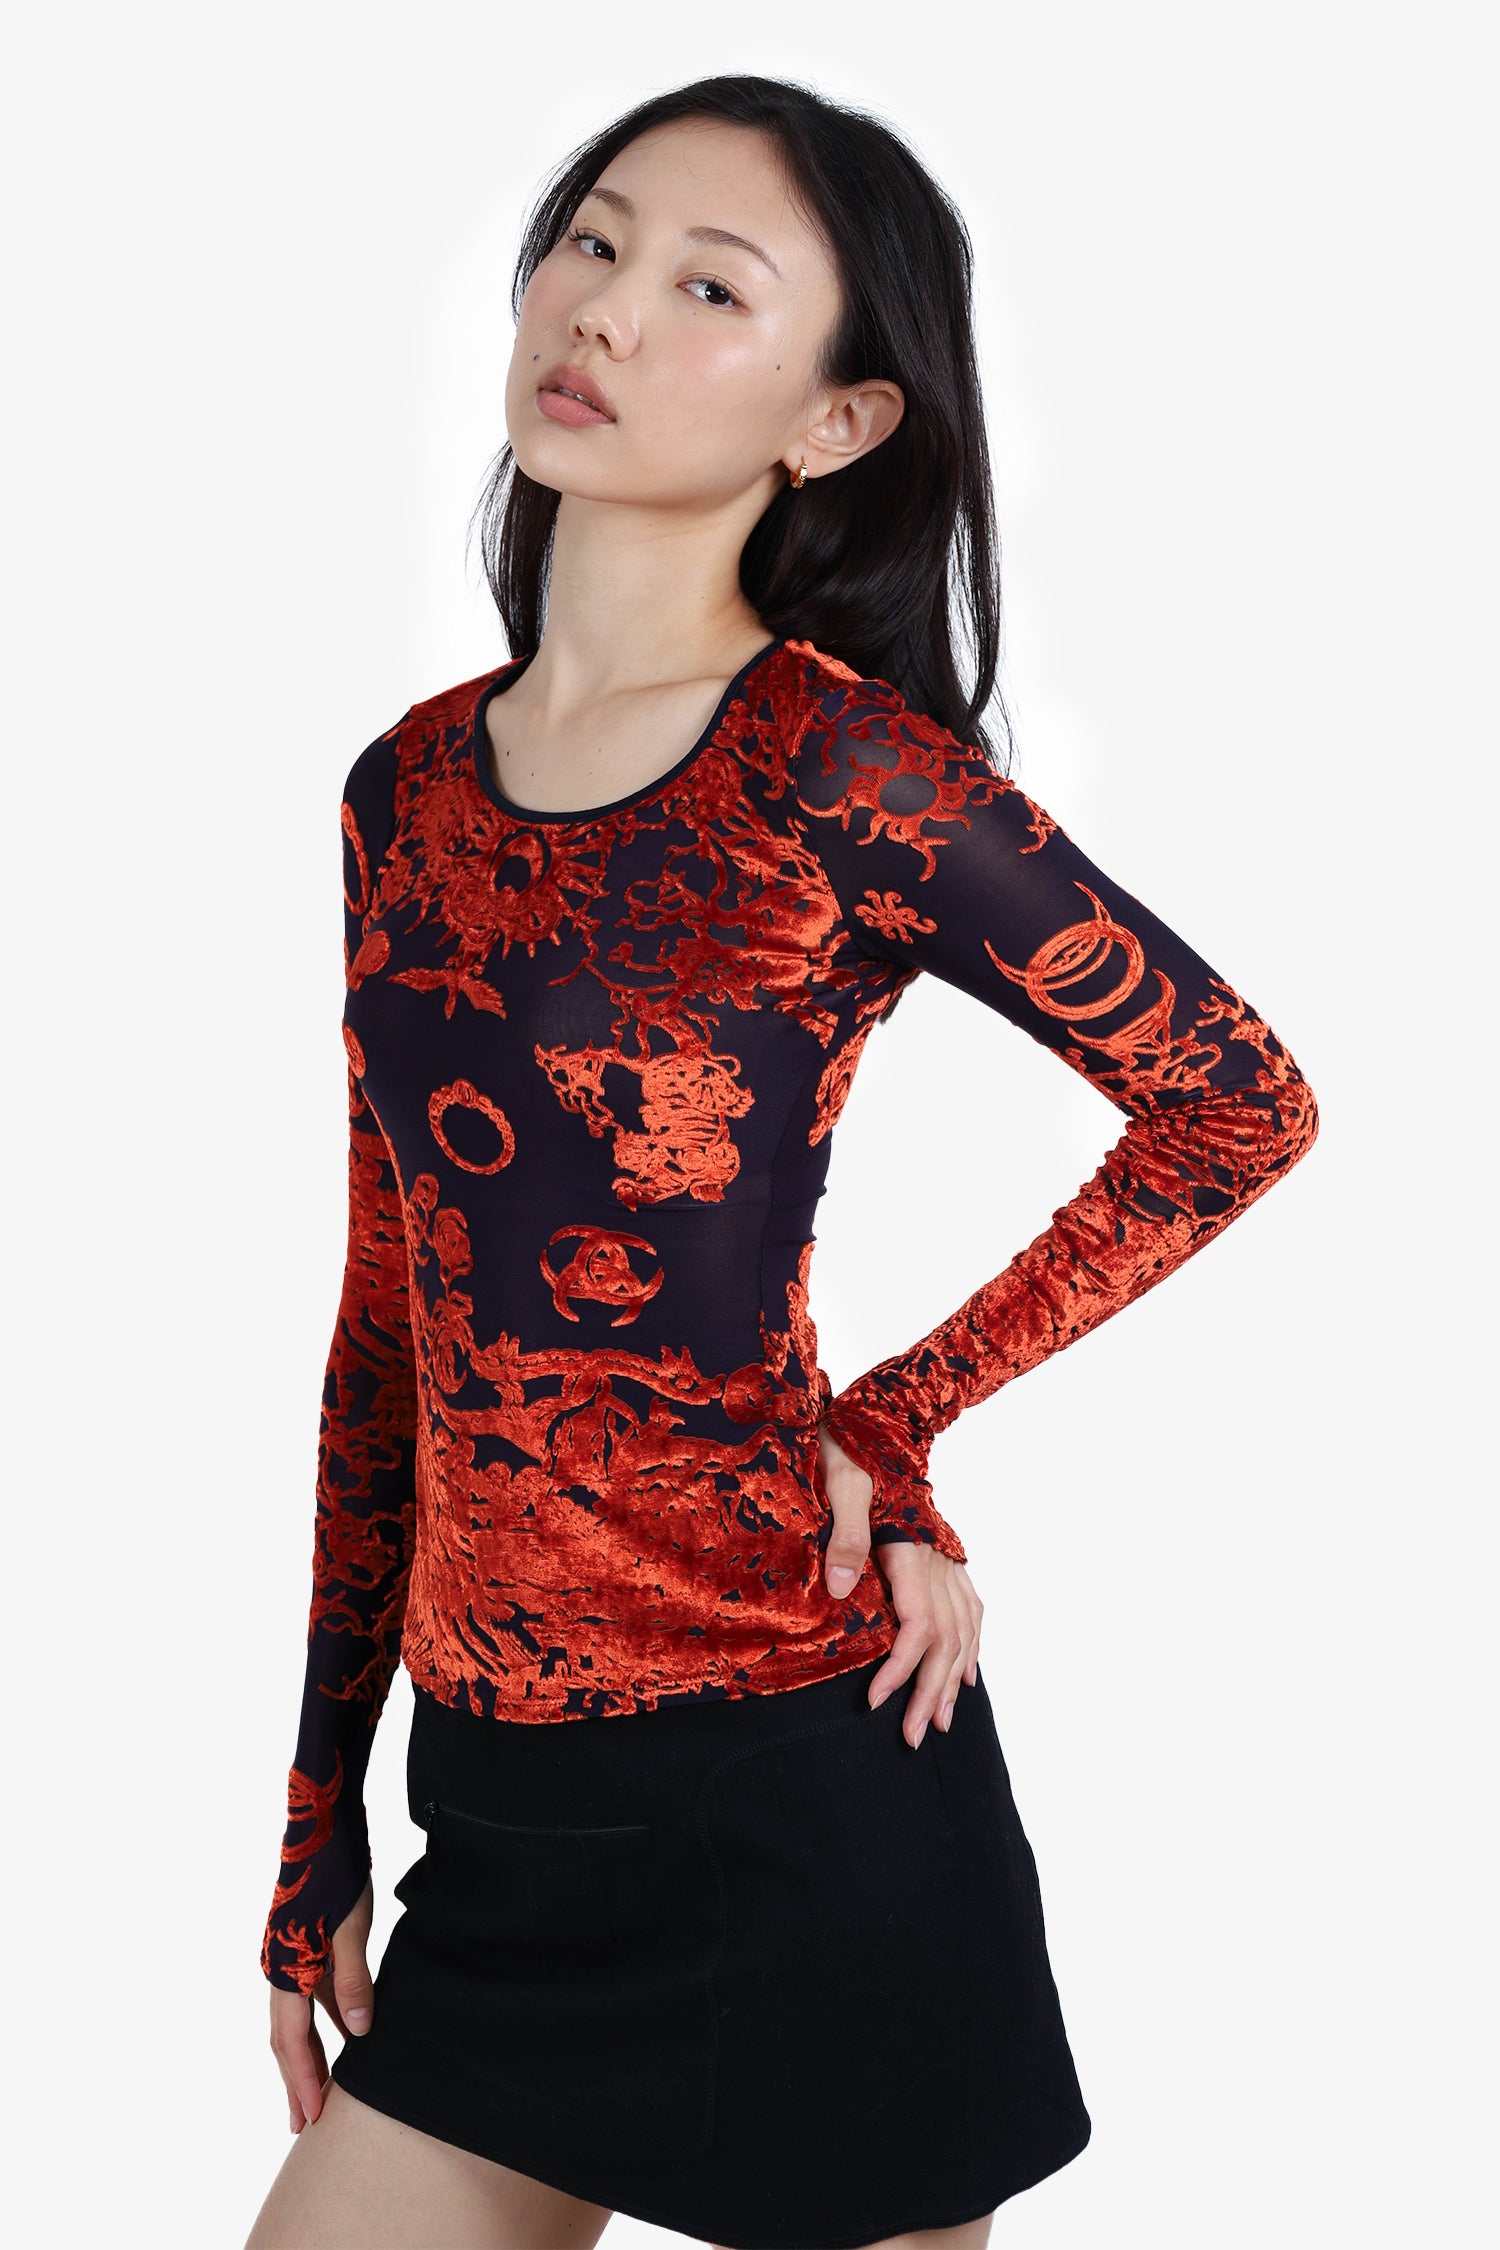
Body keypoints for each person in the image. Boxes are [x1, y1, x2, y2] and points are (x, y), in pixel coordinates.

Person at [246, 72, 1318, 2250]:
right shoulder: (400, 793)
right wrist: (312, 1814)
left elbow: (1237, 1100)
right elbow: (390, 1329)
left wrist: (896, 1418)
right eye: (594, 240)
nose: (607, 308)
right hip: (501, 1821)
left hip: (810, 1794)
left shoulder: (847, 775)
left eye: (710, 287)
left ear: (836, 423)